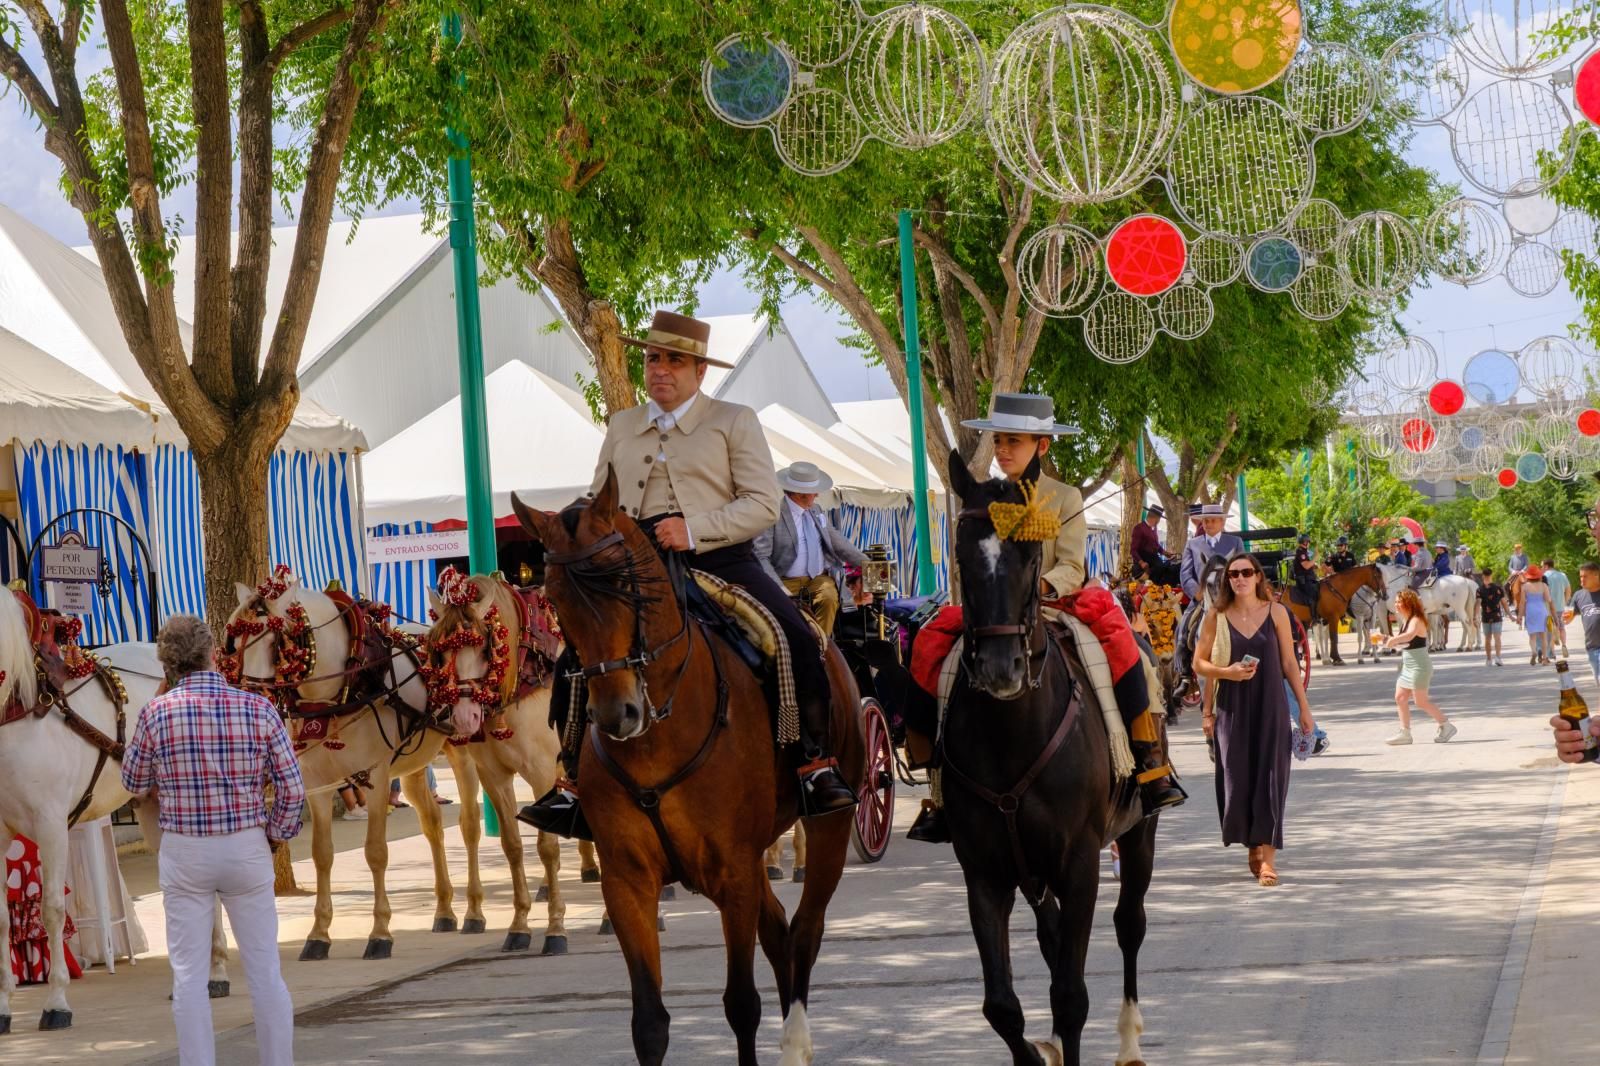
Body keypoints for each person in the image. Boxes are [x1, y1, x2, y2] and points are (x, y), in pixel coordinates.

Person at [520, 310, 855, 837]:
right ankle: (571, 783)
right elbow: (600, 499)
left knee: (790, 637)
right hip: (630, 571)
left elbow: (764, 503)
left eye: (675, 361)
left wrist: (694, 529)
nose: (660, 370)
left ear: (700, 372)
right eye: (654, 358)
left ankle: (815, 764)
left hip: (722, 559)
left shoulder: (733, 420)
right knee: (575, 660)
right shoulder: (623, 426)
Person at [121, 615, 303, 1066]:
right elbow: (293, 788)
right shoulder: (258, 709)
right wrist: (275, 834)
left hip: (185, 848)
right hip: (245, 845)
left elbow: (133, 781)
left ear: (166, 662)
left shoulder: (155, 713)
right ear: (212, 655)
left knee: (188, 978)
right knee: (265, 974)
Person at [1193, 552, 1315, 888]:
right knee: (1239, 780)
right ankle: (1252, 844)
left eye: (1247, 572)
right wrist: (1226, 672)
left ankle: (1268, 861)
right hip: (1231, 707)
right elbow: (1199, 664)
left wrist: (1304, 708)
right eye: (1233, 574)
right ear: (1227, 580)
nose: (1240, 578)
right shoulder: (1216, 617)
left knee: (1273, 779)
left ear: (1258, 576)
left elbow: (1290, 664)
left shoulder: (1277, 612)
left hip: (1271, 705)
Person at [754, 461, 868, 636]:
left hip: (818, 578)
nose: (817, 495)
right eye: (813, 492)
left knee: (829, 597)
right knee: (786, 615)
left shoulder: (816, 510)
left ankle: (821, 647)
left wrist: (868, 564)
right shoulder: (773, 513)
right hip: (785, 581)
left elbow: (838, 542)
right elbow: (761, 556)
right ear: (800, 494)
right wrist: (778, 588)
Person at [1381, 589, 1457, 746]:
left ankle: (1446, 725)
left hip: (1419, 667)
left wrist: (1393, 640)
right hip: (1408, 666)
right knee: (1400, 697)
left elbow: (1409, 636)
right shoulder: (1407, 620)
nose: (1396, 604)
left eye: (1398, 601)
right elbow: (1406, 643)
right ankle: (1405, 733)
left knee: (1420, 702)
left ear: (1408, 603)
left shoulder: (1416, 620)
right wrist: (1386, 639)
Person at [1180, 504, 1245, 602]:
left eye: (1213, 520)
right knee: (1186, 617)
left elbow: (1242, 569)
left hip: (1230, 598)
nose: (1209, 524)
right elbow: (1185, 574)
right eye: (1206, 521)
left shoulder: (1236, 542)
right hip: (1201, 599)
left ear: (1222, 522)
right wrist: (1197, 593)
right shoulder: (1192, 544)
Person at [1565, 562, 1600, 687]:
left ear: (1596, 575)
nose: (1582, 580)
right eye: (1580, 576)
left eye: (1585, 576)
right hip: (1592, 647)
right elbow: (1569, 616)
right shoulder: (1579, 595)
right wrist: (1566, 618)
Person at [1131, 504, 1180, 586]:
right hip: (1144, 561)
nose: (1159, 521)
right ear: (1155, 518)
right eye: (1159, 519)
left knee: (1169, 568)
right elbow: (1133, 550)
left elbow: (1156, 545)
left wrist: (1164, 553)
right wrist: (1142, 562)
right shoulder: (1139, 528)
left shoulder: (1154, 529)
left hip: (1154, 560)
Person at [1517, 563, 1556, 665]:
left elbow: (1521, 602)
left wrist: (1520, 616)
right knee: (1543, 636)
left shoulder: (1524, 586)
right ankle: (1544, 659)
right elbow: (1548, 599)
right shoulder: (1544, 585)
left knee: (1532, 636)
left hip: (1530, 610)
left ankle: (1534, 651)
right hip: (1541, 610)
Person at [1479, 566, 1507, 667]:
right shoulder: (1498, 588)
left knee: (1487, 638)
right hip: (1497, 616)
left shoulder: (1480, 589)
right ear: (1491, 575)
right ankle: (1498, 658)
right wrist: (1510, 615)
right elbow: (1504, 603)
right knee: (1497, 637)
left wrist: (1474, 616)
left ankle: (1488, 659)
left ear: (1483, 576)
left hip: (1485, 616)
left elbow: (1477, 604)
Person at [1544, 558, 1572, 659]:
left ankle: (1552, 652)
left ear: (1546, 566)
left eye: (1543, 566)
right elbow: (1568, 590)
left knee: (1550, 629)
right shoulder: (1562, 575)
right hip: (1560, 606)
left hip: (1548, 607)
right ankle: (1564, 645)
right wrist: (1564, 601)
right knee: (1561, 627)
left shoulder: (1544, 576)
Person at [1290, 533, 1320, 613]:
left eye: (1308, 542)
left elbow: (1306, 564)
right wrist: (1315, 558)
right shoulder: (1301, 552)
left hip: (1309, 579)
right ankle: (1314, 617)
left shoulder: (1304, 552)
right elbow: (1306, 566)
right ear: (1305, 542)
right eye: (1307, 542)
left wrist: (1313, 565)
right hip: (1304, 581)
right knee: (1313, 595)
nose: (1308, 543)